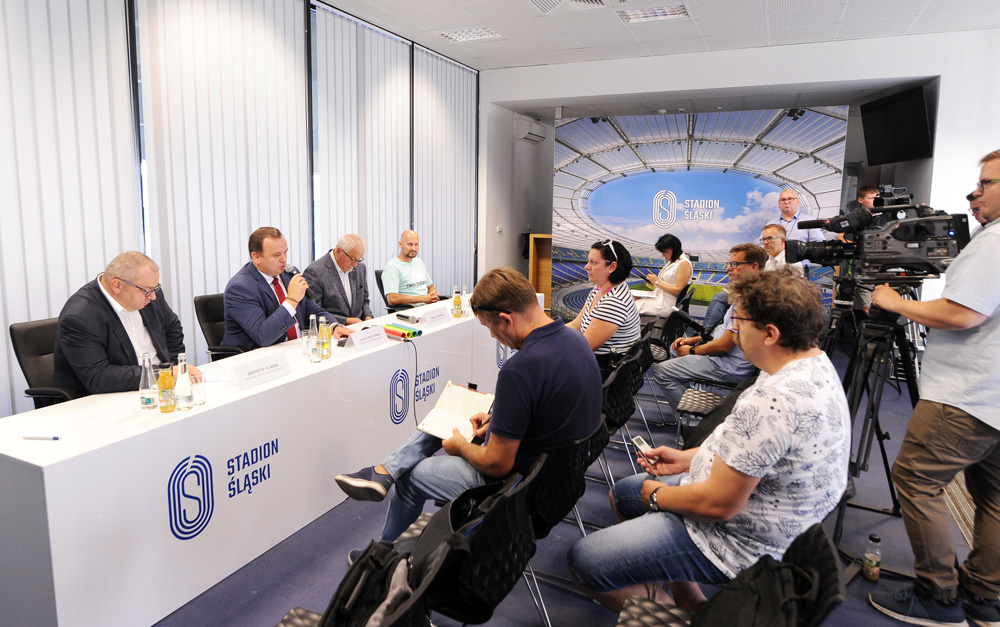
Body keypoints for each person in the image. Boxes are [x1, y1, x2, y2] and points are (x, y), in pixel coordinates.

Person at [567, 269, 851, 612]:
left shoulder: (775, 400)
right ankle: (689, 598)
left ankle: (688, 619)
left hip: (734, 539)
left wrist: (661, 496)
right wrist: (688, 459)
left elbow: (719, 505)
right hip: (751, 510)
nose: (735, 329)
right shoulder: (809, 364)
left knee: (584, 561)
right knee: (624, 495)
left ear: (770, 334)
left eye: (740, 320)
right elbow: (752, 451)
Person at [334, 267, 603, 543]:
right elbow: (549, 408)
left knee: (410, 476)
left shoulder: (519, 370)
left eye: (489, 328)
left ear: (506, 320)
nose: (492, 337)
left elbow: (497, 464)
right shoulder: (576, 341)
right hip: (556, 481)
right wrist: (498, 422)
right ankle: (384, 472)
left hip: (515, 487)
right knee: (446, 422)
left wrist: (460, 447)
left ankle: (384, 555)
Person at [868, 150, 1000, 627]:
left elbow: (964, 312)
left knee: (917, 480)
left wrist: (890, 301)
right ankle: (984, 598)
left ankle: (937, 596)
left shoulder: (994, 241)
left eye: (986, 183)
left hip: (965, 394)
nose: (974, 193)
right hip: (994, 399)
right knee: (995, 499)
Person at [53, 251, 200, 397]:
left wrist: (173, 368)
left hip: (160, 390)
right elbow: (99, 377)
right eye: (148, 291)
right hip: (106, 399)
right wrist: (162, 373)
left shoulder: (148, 293)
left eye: (155, 289)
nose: (153, 296)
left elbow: (172, 327)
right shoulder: (80, 317)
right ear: (117, 286)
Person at [650, 243, 765, 409]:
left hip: (728, 366)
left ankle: (696, 423)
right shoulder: (749, 292)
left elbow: (724, 346)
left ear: (754, 266)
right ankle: (693, 400)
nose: (728, 269)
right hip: (726, 359)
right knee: (676, 350)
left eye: (734, 264)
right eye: (729, 264)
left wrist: (692, 350)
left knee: (662, 372)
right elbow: (724, 333)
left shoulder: (749, 300)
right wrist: (696, 339)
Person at [222, 227, 351, 351]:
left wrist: (334, 326)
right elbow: (263, 336)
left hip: (295, 349)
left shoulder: (289, 274)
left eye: (285, 252)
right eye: (276, 255)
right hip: (258, 360)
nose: (284, 259)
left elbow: (312, 309)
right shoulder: (240, 288)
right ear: (256, 257)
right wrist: (291, 300)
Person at [566, 239, 642, 379]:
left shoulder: (613, 302)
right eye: (588, 261)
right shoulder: (600, 288)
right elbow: (576, 324)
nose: (586, 267)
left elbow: (584, 348)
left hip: (606, 372)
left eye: (593, 263)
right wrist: (549, 333)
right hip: (599, 364)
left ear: (612, 267)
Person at [302, 234, 373, 326]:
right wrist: (346, 321)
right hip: (332, 330)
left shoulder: (360, 268)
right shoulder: (315, 272)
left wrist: (368, 317)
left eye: (358, 260)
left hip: (359, 328)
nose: (355, 264)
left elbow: (364, 300)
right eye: (352, 259)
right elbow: (314, 311)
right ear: (338, 251)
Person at [636, 233, 693, 319]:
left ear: (674, 249)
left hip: (667, 305)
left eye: (665, 252)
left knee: (629, 307)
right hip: (661, 299)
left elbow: (679, 290)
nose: (663, 255)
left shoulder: (684, 264)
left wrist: (657, 282)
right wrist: (655, 283)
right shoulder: (674, 262)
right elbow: (668, 283)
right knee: (632, 297)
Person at [768, 187, 826, 271]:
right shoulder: (770, 224)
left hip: (799, 270)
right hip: (775, 269)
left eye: (790, 199)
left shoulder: (809, 221)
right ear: (779, 204)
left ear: (798, 201)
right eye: (783, 200)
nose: (786, 202)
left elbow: (819, 245)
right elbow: (761, 245)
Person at [382, 230, 438, 307]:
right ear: (400, 244)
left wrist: (433, 294)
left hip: (427, 308)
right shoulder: (392, 267)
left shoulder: (419, 262)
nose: (413, 248)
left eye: (416, 245)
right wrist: (423, 299)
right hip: (410, 311)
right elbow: (392, 299)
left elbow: (430, 287)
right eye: (410, 244)